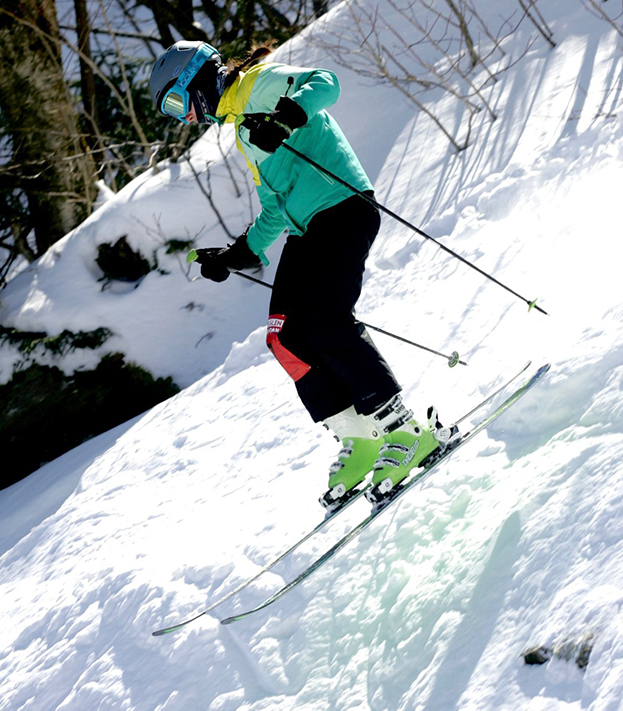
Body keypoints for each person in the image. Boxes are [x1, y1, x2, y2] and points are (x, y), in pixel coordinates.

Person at [149, 39, 440, 506]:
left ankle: (406, 429)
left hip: (343, 207)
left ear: (195, 79)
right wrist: (238, 252)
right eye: (173, 113)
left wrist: (286, 116)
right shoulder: (242, 130)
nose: (185, 118)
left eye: (179, 103)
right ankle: (362, 437)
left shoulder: (256, 87)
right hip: (307, 228)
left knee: (327, 322)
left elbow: (325, 83)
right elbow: (273, 207)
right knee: (284, 337)